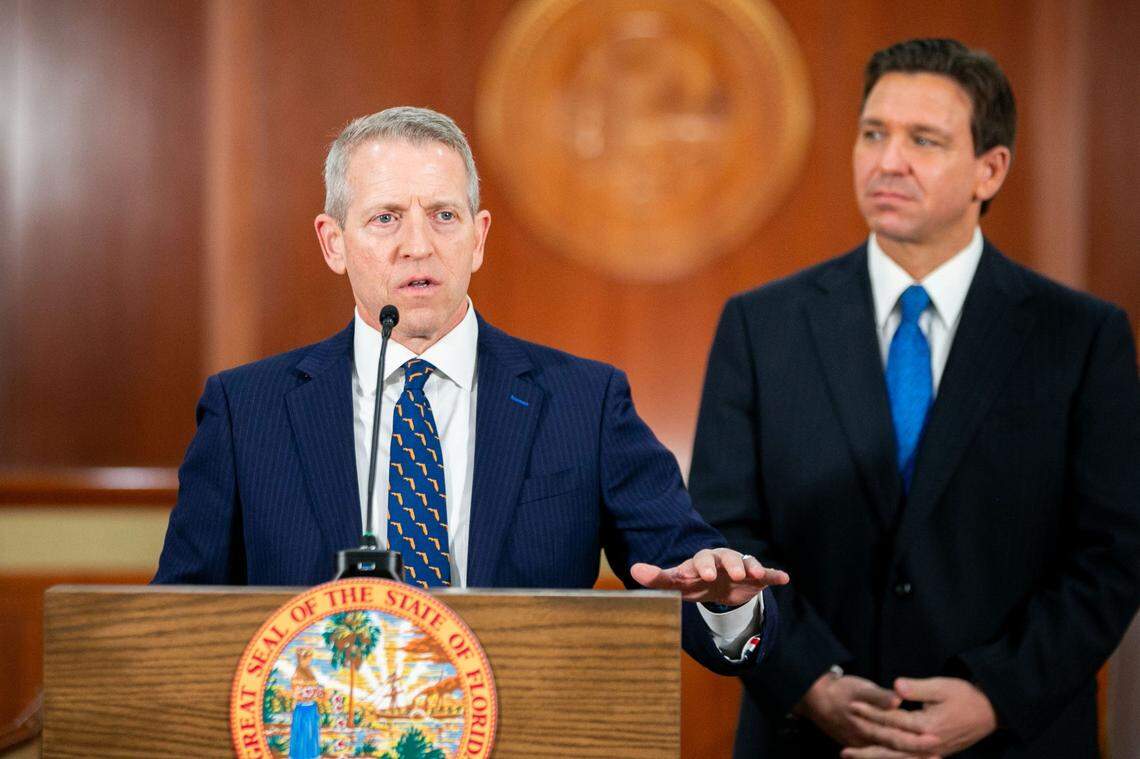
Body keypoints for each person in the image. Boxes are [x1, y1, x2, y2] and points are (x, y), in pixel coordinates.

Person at [153, 106, 788, 675]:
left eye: (443, 215)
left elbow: (686, 575)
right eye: (385, 218)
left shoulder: (583, 402)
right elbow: (172, 629)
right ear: (334, 243)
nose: (418, 245)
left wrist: (727, 605)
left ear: (478, 237)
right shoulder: (248, 411)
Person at [690, 38, 1140, 758]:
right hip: (806, 737)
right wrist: (810, 680)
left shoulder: (1082, 337)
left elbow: (1113, 555)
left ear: (989, 170)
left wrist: (995, 694)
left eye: (923, 140)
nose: (886, 160)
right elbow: (720, 537)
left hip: (1010, 738)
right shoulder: (762, 325)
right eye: (874, 133)